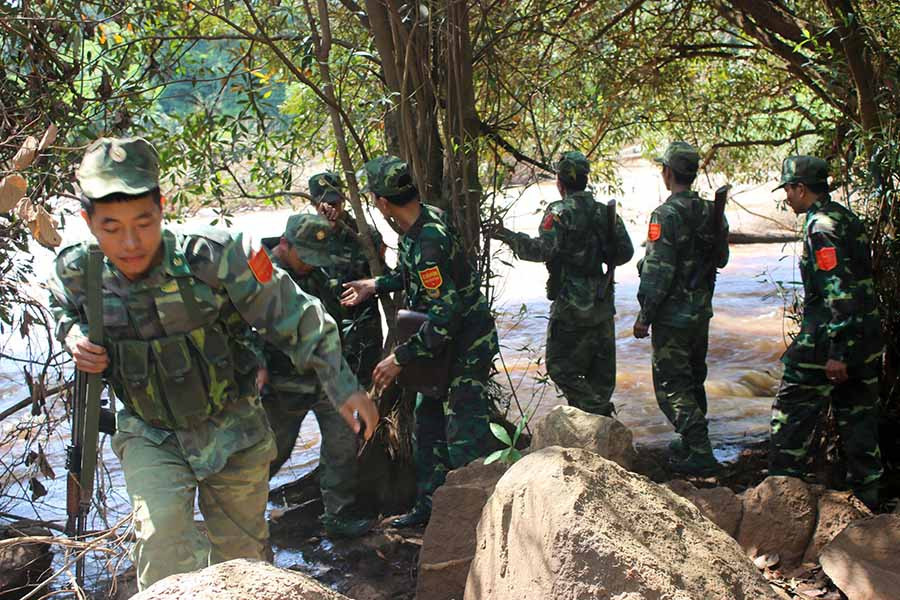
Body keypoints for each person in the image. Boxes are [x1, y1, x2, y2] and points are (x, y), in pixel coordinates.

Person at [48, 137, 377, 590]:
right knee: (161, 541)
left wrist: (342, 386)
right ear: (88, 221)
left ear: (162, 208)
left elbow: (295, 314)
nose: (128, 243)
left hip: (232, 428)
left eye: (142, 223)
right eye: (110, 227)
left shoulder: (216, 256)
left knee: (243, 565)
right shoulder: (78, 270)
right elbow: (61, 307)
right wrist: (73, 335)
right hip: (151, 431)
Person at [341, 155, 498, 527]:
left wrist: (400, 357)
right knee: (427, 426)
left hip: (465, 346)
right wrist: (375, 284)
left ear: (382, 203)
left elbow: (447, 315)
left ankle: (481, 517)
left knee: (464, 435)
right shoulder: (422, 222)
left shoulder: (429, 240)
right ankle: (431, 507)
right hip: (440, 346)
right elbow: (412, 278)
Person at [769, 155, 883, 509]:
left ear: (801, 188)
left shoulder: (820, 227)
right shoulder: (844, 217)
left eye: (788, 189)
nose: (786, 197)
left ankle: (781, 501)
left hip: (829, 339)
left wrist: (836, 352)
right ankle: (871, 503)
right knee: (859, 420)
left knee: (790, 414)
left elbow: (839, 291)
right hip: (865, 338)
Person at [488, 151, 634, 416]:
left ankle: (595, 412)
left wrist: (506, 235)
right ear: (586, 180)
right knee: (599, 376)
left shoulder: (558, 212)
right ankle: (597, 423)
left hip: (570, 303)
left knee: (559, 366)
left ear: (560, 182)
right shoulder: (605, 213)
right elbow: (625, 254)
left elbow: (541, 250)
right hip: (601, 302)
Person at [259, 213, 372, 537]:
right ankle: (242, 518)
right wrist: (257, 364)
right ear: (284, 244)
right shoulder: (259, 274)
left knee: (342, 441)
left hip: (322, 381)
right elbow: (241, 327)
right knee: (270, 454)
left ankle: (338, 516)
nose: (310, 265)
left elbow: (329, 324)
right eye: (305, 257)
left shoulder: (317, 275)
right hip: (280, 388)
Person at [633, 141, 729, 475]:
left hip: (672, 316)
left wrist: (645, 316)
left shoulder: (665, 214)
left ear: (668, 173)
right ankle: (691, 441)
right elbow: (722, 259)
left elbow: (658, 270)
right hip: (700, 311)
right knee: (693, 378)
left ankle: (700, 450)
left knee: (671, 386)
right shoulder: (710, 211)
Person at [309, 171, 386, 389]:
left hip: (363, 330)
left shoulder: (364, 235)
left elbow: (386, 277)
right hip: (325, 332)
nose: (332, 209)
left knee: (367, 390)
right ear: (314, 204)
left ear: (343, 199)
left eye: (335, 202)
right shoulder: (306, 237)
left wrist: (369, 285)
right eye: (325, 203)